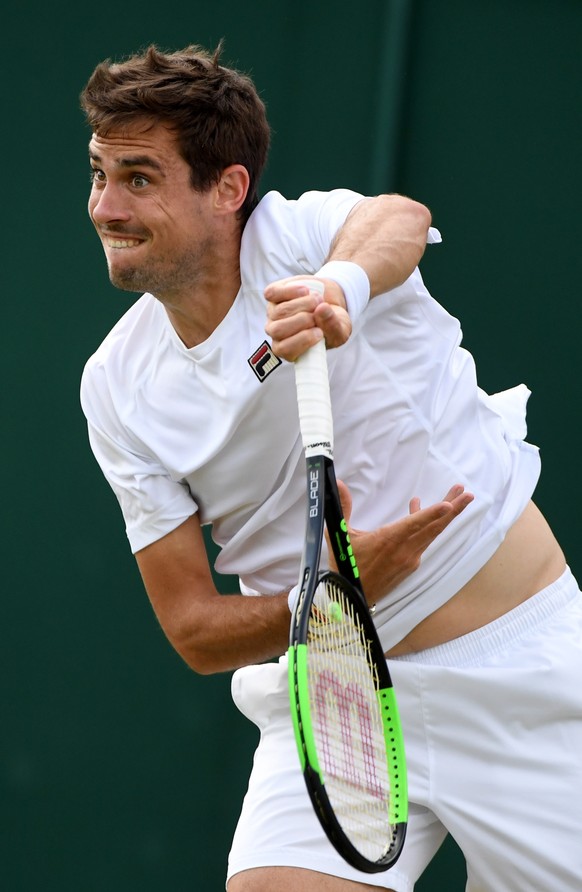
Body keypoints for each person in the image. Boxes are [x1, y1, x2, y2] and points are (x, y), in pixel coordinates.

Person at [79, 44, 582, 892]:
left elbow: (400, 217)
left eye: (138, 178)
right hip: (336, 701)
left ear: (228, 190)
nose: (104, 207)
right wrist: (337, 593)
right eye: (99, 174)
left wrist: (338, 289)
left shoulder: (307, 236)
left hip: (521, 678)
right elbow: (196, 630)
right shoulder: (117, 388)